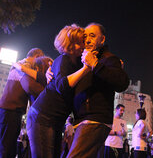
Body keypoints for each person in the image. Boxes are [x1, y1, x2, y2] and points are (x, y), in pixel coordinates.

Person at [26, 24, 90, 158]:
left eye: (82, 42)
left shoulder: (77, 62)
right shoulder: (63, 60)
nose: (82, 46)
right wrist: (86, 68)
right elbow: (62, 86)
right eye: (78, 43)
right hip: (42, 118)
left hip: (55, 121)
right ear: (68, 44)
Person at [67, 23, 129, 157]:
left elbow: (122, 83)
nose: (88, 39)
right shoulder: (80, 60)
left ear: (102, 39)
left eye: (92, 36)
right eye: (85, 36)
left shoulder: (109, 59)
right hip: (80, 121)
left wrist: (95, 64)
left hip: (95, 119)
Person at [0, 48, 44, 158]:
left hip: (9, 110)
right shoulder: (25, 66)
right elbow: (30, 86)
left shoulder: (20, 64)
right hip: (11, 110)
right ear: (37, 56)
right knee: (7, 146)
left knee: (7, 144)